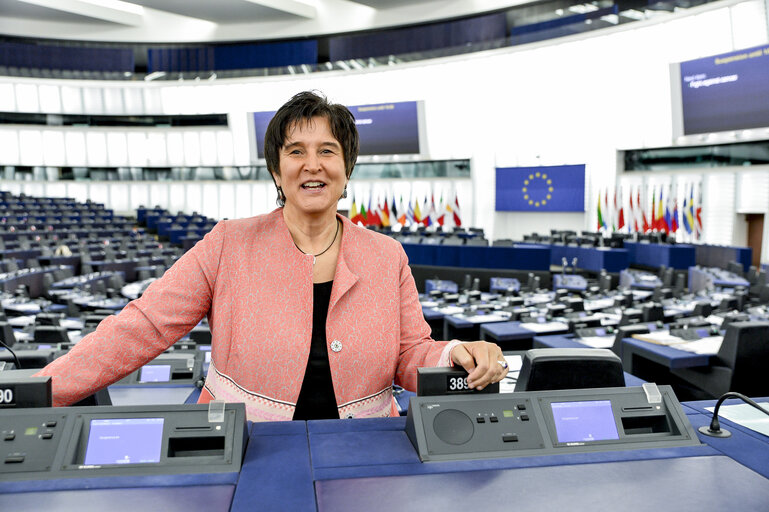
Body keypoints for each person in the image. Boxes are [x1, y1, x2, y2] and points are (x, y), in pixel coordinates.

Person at [36, 91, 508, 421]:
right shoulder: (228, 243)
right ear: (277, 171)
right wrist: (38, 392)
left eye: (328, 150)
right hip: (241, 445)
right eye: (296, 151)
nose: (312, 164)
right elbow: (143, 326)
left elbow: (409, 354)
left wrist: (455, 353)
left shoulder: (387, 256)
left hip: (367, 447)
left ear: (346, 169)